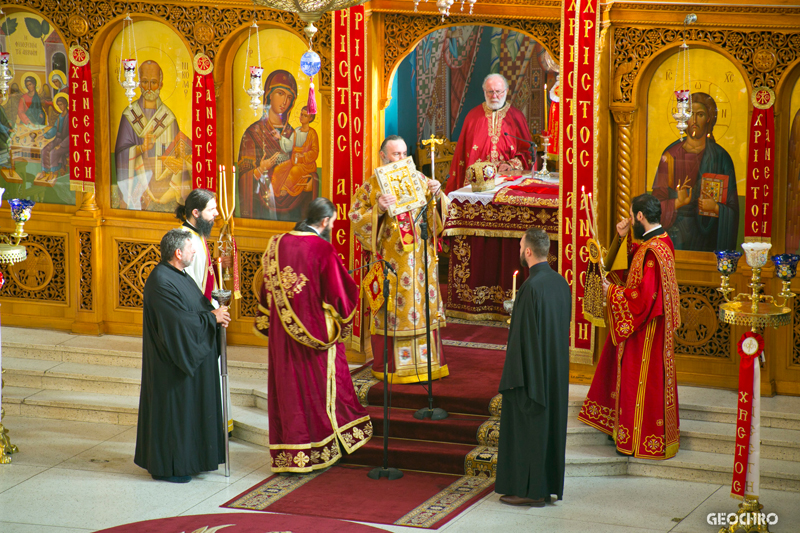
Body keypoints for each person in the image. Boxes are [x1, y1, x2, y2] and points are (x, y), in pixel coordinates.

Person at [254, 197, 371, 472]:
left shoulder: (275, 243)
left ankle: (290, 454)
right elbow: (341, 298)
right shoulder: (322, 249)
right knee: (317, 389)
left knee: (289, 390)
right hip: (315, 336)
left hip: (282, 338)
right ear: (325, 221)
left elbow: (265, 289)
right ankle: (320, 447)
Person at [577, 193, 681, 459]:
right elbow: (633, 259)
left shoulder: (653, 252)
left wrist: (611, 291)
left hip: (645, 332)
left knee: (639, 380)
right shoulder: (661, 241)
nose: (630, 219)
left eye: (631, 215)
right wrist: (621, 237)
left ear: (640, 216)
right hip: (653, 329)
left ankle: (636, 440)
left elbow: (642, 299)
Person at [350, 135, 449, 383]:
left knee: (423, 308)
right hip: (391, 265)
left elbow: (439, 219)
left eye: (405, 153)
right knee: (393, 309)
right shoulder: (371, 186)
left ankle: (427, 364)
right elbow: (355, 218)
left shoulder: (420, 179)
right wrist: (378, 210)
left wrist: (438, 195)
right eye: (396, 154)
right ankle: (394, 367)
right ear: (383, 156)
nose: (402, 158)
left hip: (421, 264)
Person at [134, 229, 231, 483]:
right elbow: (177, 322)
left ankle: (191, 460)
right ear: (178, 253)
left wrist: (215, 313)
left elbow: (196, 307)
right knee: (175, 414)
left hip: (187, 361)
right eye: (191, 248)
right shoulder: (160, 281)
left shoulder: (180, 275)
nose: (195, 251)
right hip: (171, 364)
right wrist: (211, 318)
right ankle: (170, 466)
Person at [496, 228, 571, 507]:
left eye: (520, 246)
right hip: (555, 373)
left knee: (530, 428)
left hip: (532, 377)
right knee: (550, 429)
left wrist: (514, 380)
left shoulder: (531, 287)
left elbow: (522, 341)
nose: (519, 250)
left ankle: (530, 490)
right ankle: (547, 486)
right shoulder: (562, 284)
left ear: (528, 251)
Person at [651, 92, 738, 252]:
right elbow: (655, 207)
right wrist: (678, 203)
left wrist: (716, 208)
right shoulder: (670, 155)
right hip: (675, 237)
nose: (695, 120)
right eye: (691, 114)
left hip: (708, 238)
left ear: (709, 119)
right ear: (684, 117)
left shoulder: (721, 157)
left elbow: (733, 210)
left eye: (701, 114)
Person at [115, 60, 186, 211]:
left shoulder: (169, 117)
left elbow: (178, 152)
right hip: (138, 182)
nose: (148, 88)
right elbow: (121, 153)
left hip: (164, 185)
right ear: (139, 83)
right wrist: (141, 148)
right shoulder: (129, 115)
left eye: (153, 82)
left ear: (161, 84)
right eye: (144, 82)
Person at [446, 73, 532, 193]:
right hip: (478, 185)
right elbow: (462, 156)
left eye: (498, 91)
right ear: (484, 91)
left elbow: (528, 154)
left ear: (506, 91)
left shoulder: (517, 117)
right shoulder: (472, 117)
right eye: (490, 92)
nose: (494, 96)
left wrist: (510, 164)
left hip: (508, 182)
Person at [237, 69, 297, 220]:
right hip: (262, 208)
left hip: (290, 210)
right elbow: (243, 179)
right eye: (280, 93)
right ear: (269, 94)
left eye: (289, 97)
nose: (285, 101)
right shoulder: (253, 133)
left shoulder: (293, 135)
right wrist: (260, 169)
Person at [175, 188, 220, 304]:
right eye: (211, 210)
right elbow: (188, 284)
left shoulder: (198, 233)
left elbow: (201, 269)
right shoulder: (185, 240)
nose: (216, 213)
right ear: (196, 213)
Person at [270, 106, 319, 199]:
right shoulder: (296, 131)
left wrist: (303, 156)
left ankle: (285, 189)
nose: (301, 117)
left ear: (310, 118)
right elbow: (289, 146)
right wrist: (280, 137)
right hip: (294, 161)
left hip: (306, 165)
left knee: (295, 171)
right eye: (301, 114)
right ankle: (273, 191)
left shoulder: (312, 133)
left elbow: (315, 152)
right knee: (278, 169)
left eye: (305, 115)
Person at [36, 93, 69, 185]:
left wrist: (61, 145)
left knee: (53, 152)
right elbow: (55, 129)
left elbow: (71, 134)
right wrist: (45, 135)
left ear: (65, 104)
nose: (60, 106)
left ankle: (52, 173)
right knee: (44, 149)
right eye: (58, 105)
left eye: (61, 104)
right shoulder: (59, 117)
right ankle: (44, 171)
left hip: (67, 142)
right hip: (58, 139)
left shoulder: (70, 116)